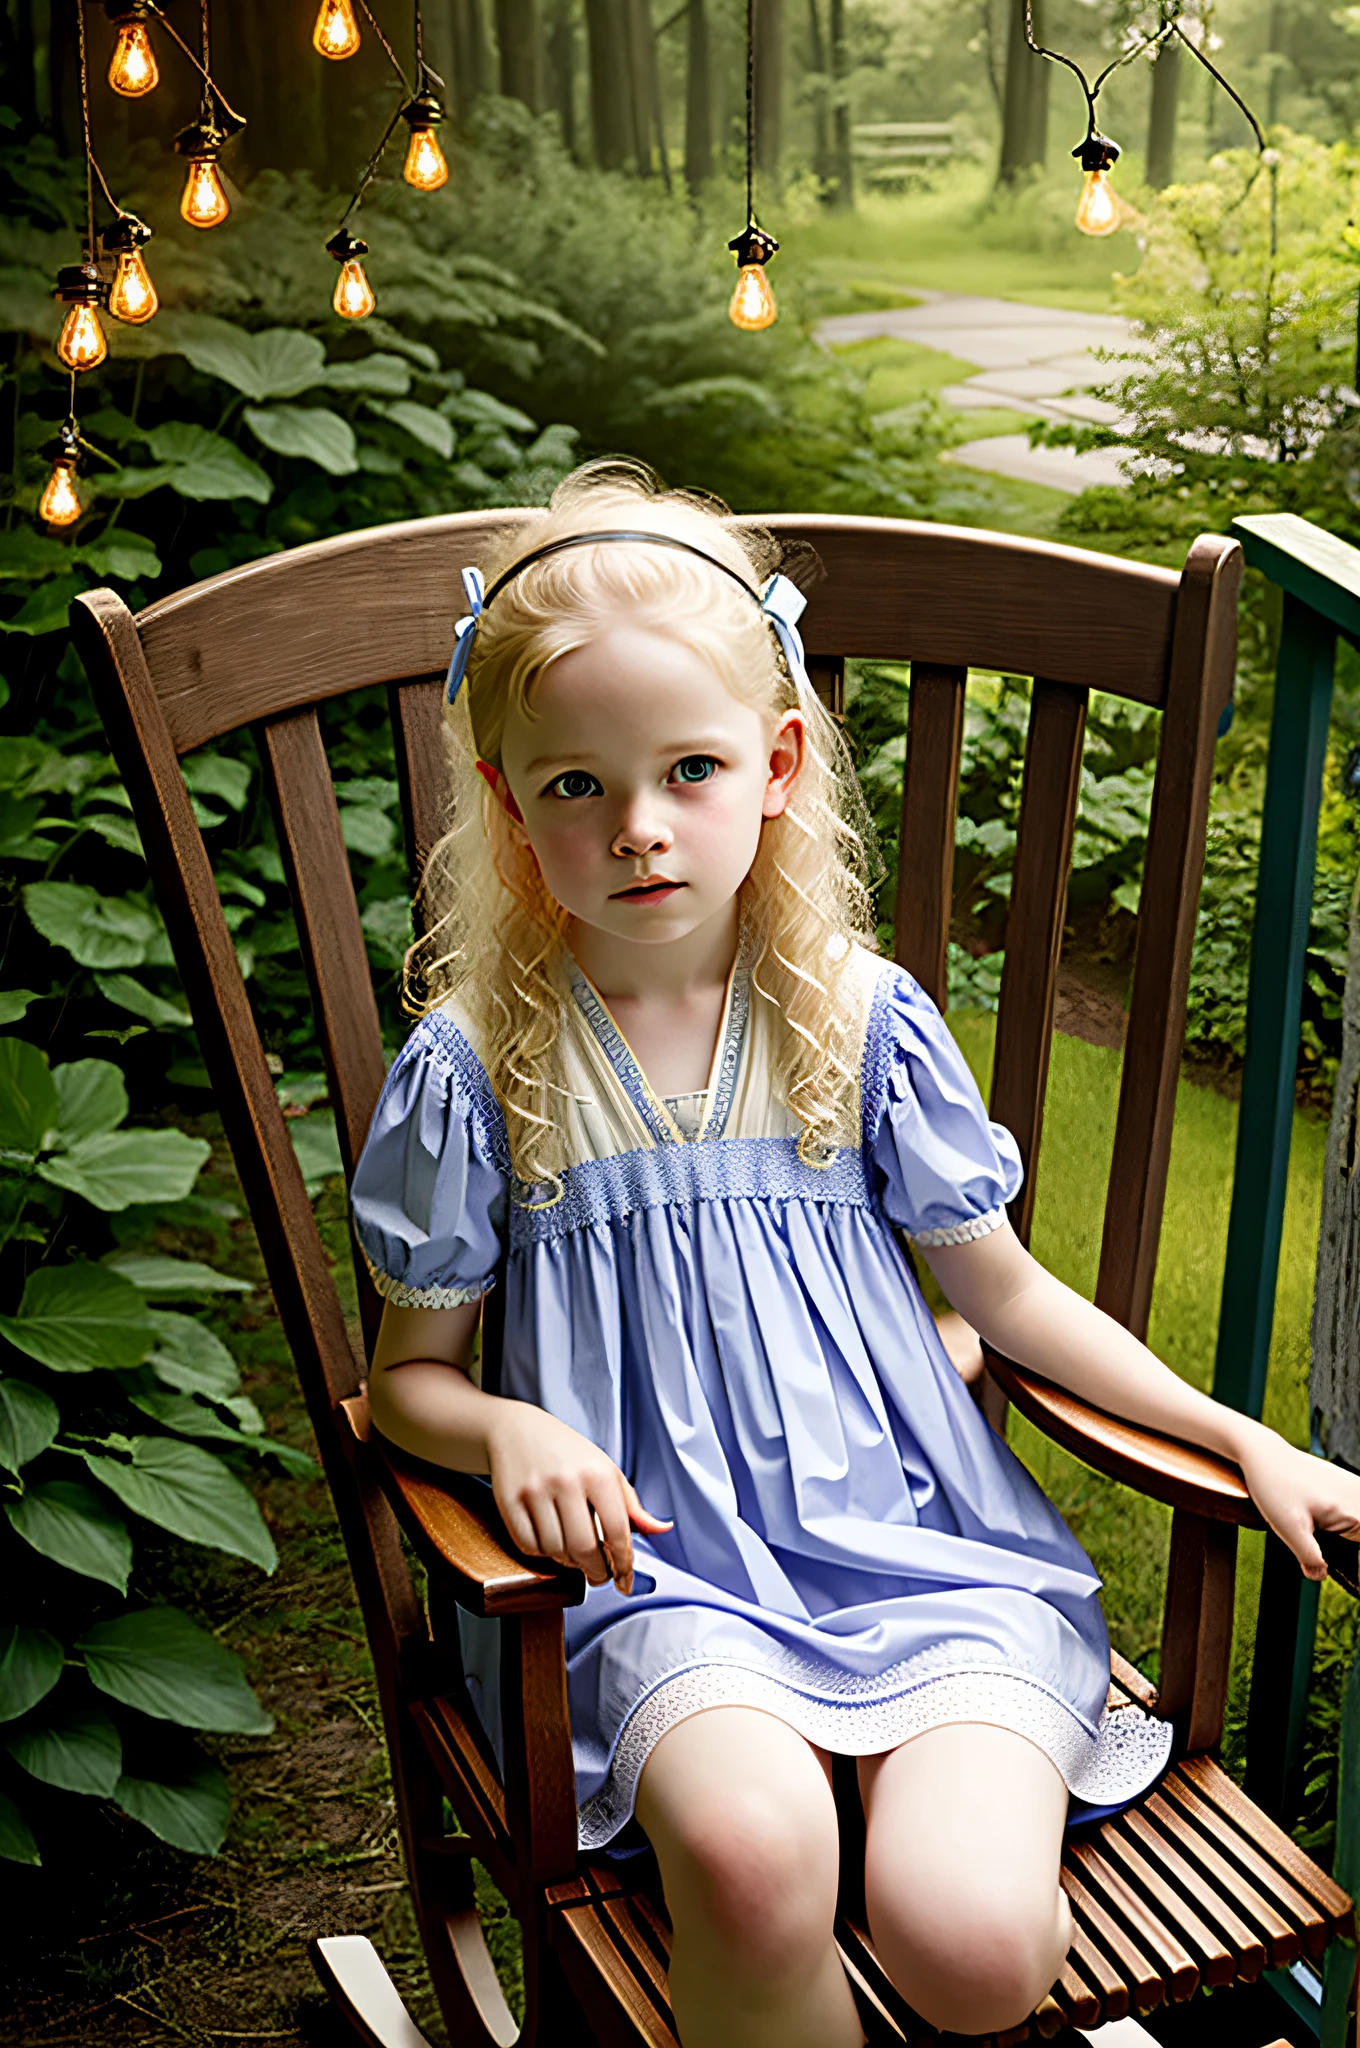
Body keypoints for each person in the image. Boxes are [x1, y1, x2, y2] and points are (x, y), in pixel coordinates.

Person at [351, 462, 1360, 2048]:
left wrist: (1249, 1442)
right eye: (575, 787)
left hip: (925, 1558)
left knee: (968, 1944)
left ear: (778, 762)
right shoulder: (482, 1067)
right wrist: (504, 1426)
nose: (638, 830)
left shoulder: (857, 1020)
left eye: (689, 769)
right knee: (758, 1866)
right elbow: (405, 1381)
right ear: (504, 799)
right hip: (658, 1584)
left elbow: (1008, 1301)